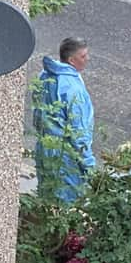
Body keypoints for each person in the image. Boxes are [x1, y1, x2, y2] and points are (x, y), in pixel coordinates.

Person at [33, 37, 95, 203]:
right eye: (83, 56)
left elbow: (37, 113)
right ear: (71, 60)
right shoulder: (73, 88)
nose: (87, 59)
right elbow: (79, 132)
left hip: (45, 148)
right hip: (65, 157)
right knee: (65, 207)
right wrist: (89, 166)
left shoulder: (45, 76)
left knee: (46, 201)